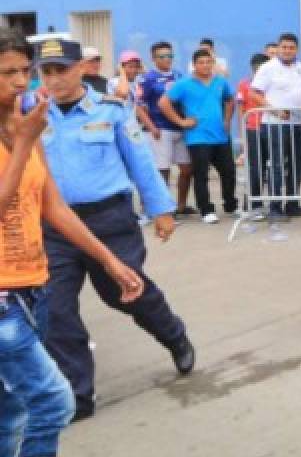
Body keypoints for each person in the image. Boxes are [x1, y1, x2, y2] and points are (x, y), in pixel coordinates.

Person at [0, 28, 146, 457]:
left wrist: (109, 260)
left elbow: (52, 206)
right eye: (8, 73)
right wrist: (22, 143)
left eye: (26, 70)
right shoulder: (26, 132)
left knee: (12, 410)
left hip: (31, 287)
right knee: (52, 402)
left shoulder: (26, 126)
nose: (21, 82)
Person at [34, 37, 193, 423]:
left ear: (81, 69)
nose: (54, 79)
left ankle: (173, 335)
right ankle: (77, 393)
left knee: (123, 290)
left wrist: (161, 210)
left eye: (62, 70)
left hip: (110, 221)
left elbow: (139, 162)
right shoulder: (32, 114)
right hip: (56, 225)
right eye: (47, 71)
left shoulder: (113, 110)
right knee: (54, 309)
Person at [159, 50, 237, 224]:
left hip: (221, 135)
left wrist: (227, 120)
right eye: (201, 62)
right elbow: (163, 103)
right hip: (198, 137)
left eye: (209, 62)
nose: (205, 65)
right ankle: (206, 209)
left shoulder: (220, 81)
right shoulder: (184, 84)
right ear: (194, 64)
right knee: (201, 174)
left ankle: (231, 205)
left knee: (229, 171)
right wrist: (181, 121)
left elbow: (230, 100)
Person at [250, 33, 301, 219]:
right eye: (284, 47)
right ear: (279, 48)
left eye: (291, 47)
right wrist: (274, 110)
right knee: (276, 165)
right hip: (276, 124)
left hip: (299, 123)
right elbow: (255, 93)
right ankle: (275, 207)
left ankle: (292, 203)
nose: (288, 51)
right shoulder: (268, 68)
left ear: (296, 49)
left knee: (297, 164)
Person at [136, 42, 194, 217]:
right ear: (154, 59)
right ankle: (163, 208)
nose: (167, 59)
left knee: (187, 169)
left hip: (180, 128)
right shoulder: (147, 78)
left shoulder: (179, 75)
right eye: (162, 56)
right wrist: (150, 126)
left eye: (169, 55)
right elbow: (139, 105)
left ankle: (181, 206)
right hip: (160, 129)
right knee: (163, 170)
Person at [237, 53, 270, 221]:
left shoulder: (271, 84)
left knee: (272, 168)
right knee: (255, 168)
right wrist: (242, 134)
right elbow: (241, 110)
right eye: (257, 68)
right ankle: (251, 204)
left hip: (271, 128)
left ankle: (274, 204)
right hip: (253, 129)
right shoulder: (244, 84)